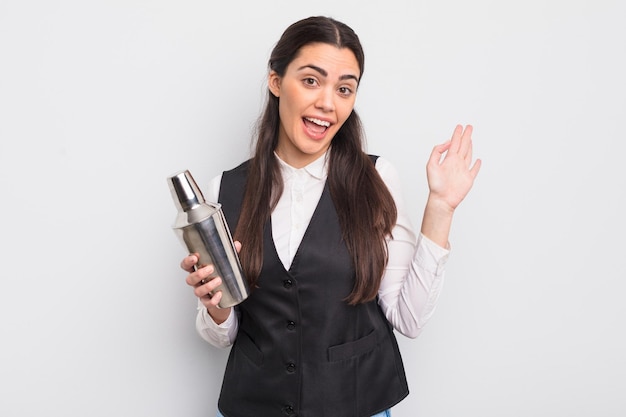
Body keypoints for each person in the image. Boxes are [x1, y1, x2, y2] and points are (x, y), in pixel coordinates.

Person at [179, 15, 481, 417]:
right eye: (310, 80)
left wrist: (441, 208)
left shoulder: (377, 179)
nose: (327, 102)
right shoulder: (224, 189)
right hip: (251, 405)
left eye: (344, 88)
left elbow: (407, 318)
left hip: (355, 403)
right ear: (276, 82)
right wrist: (215, 303)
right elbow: (223, 334)